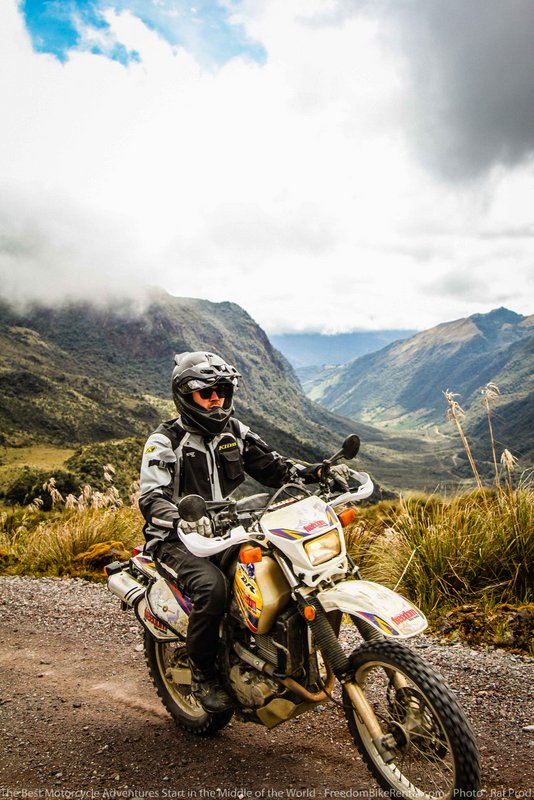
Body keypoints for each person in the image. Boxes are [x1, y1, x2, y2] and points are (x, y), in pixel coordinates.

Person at [139, 351, 351, 714]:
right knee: (213, 588)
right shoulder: (164, 441)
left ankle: (272, 652)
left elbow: (276, 468)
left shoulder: (234, 432)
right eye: (207, 393)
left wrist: (318, 473)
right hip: (177, 539)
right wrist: (179, 519)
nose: (216, 398)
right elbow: (151, 497)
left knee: (282, 571)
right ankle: (203, 672)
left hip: (228, 528)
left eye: (221, 390)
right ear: (185, 396)